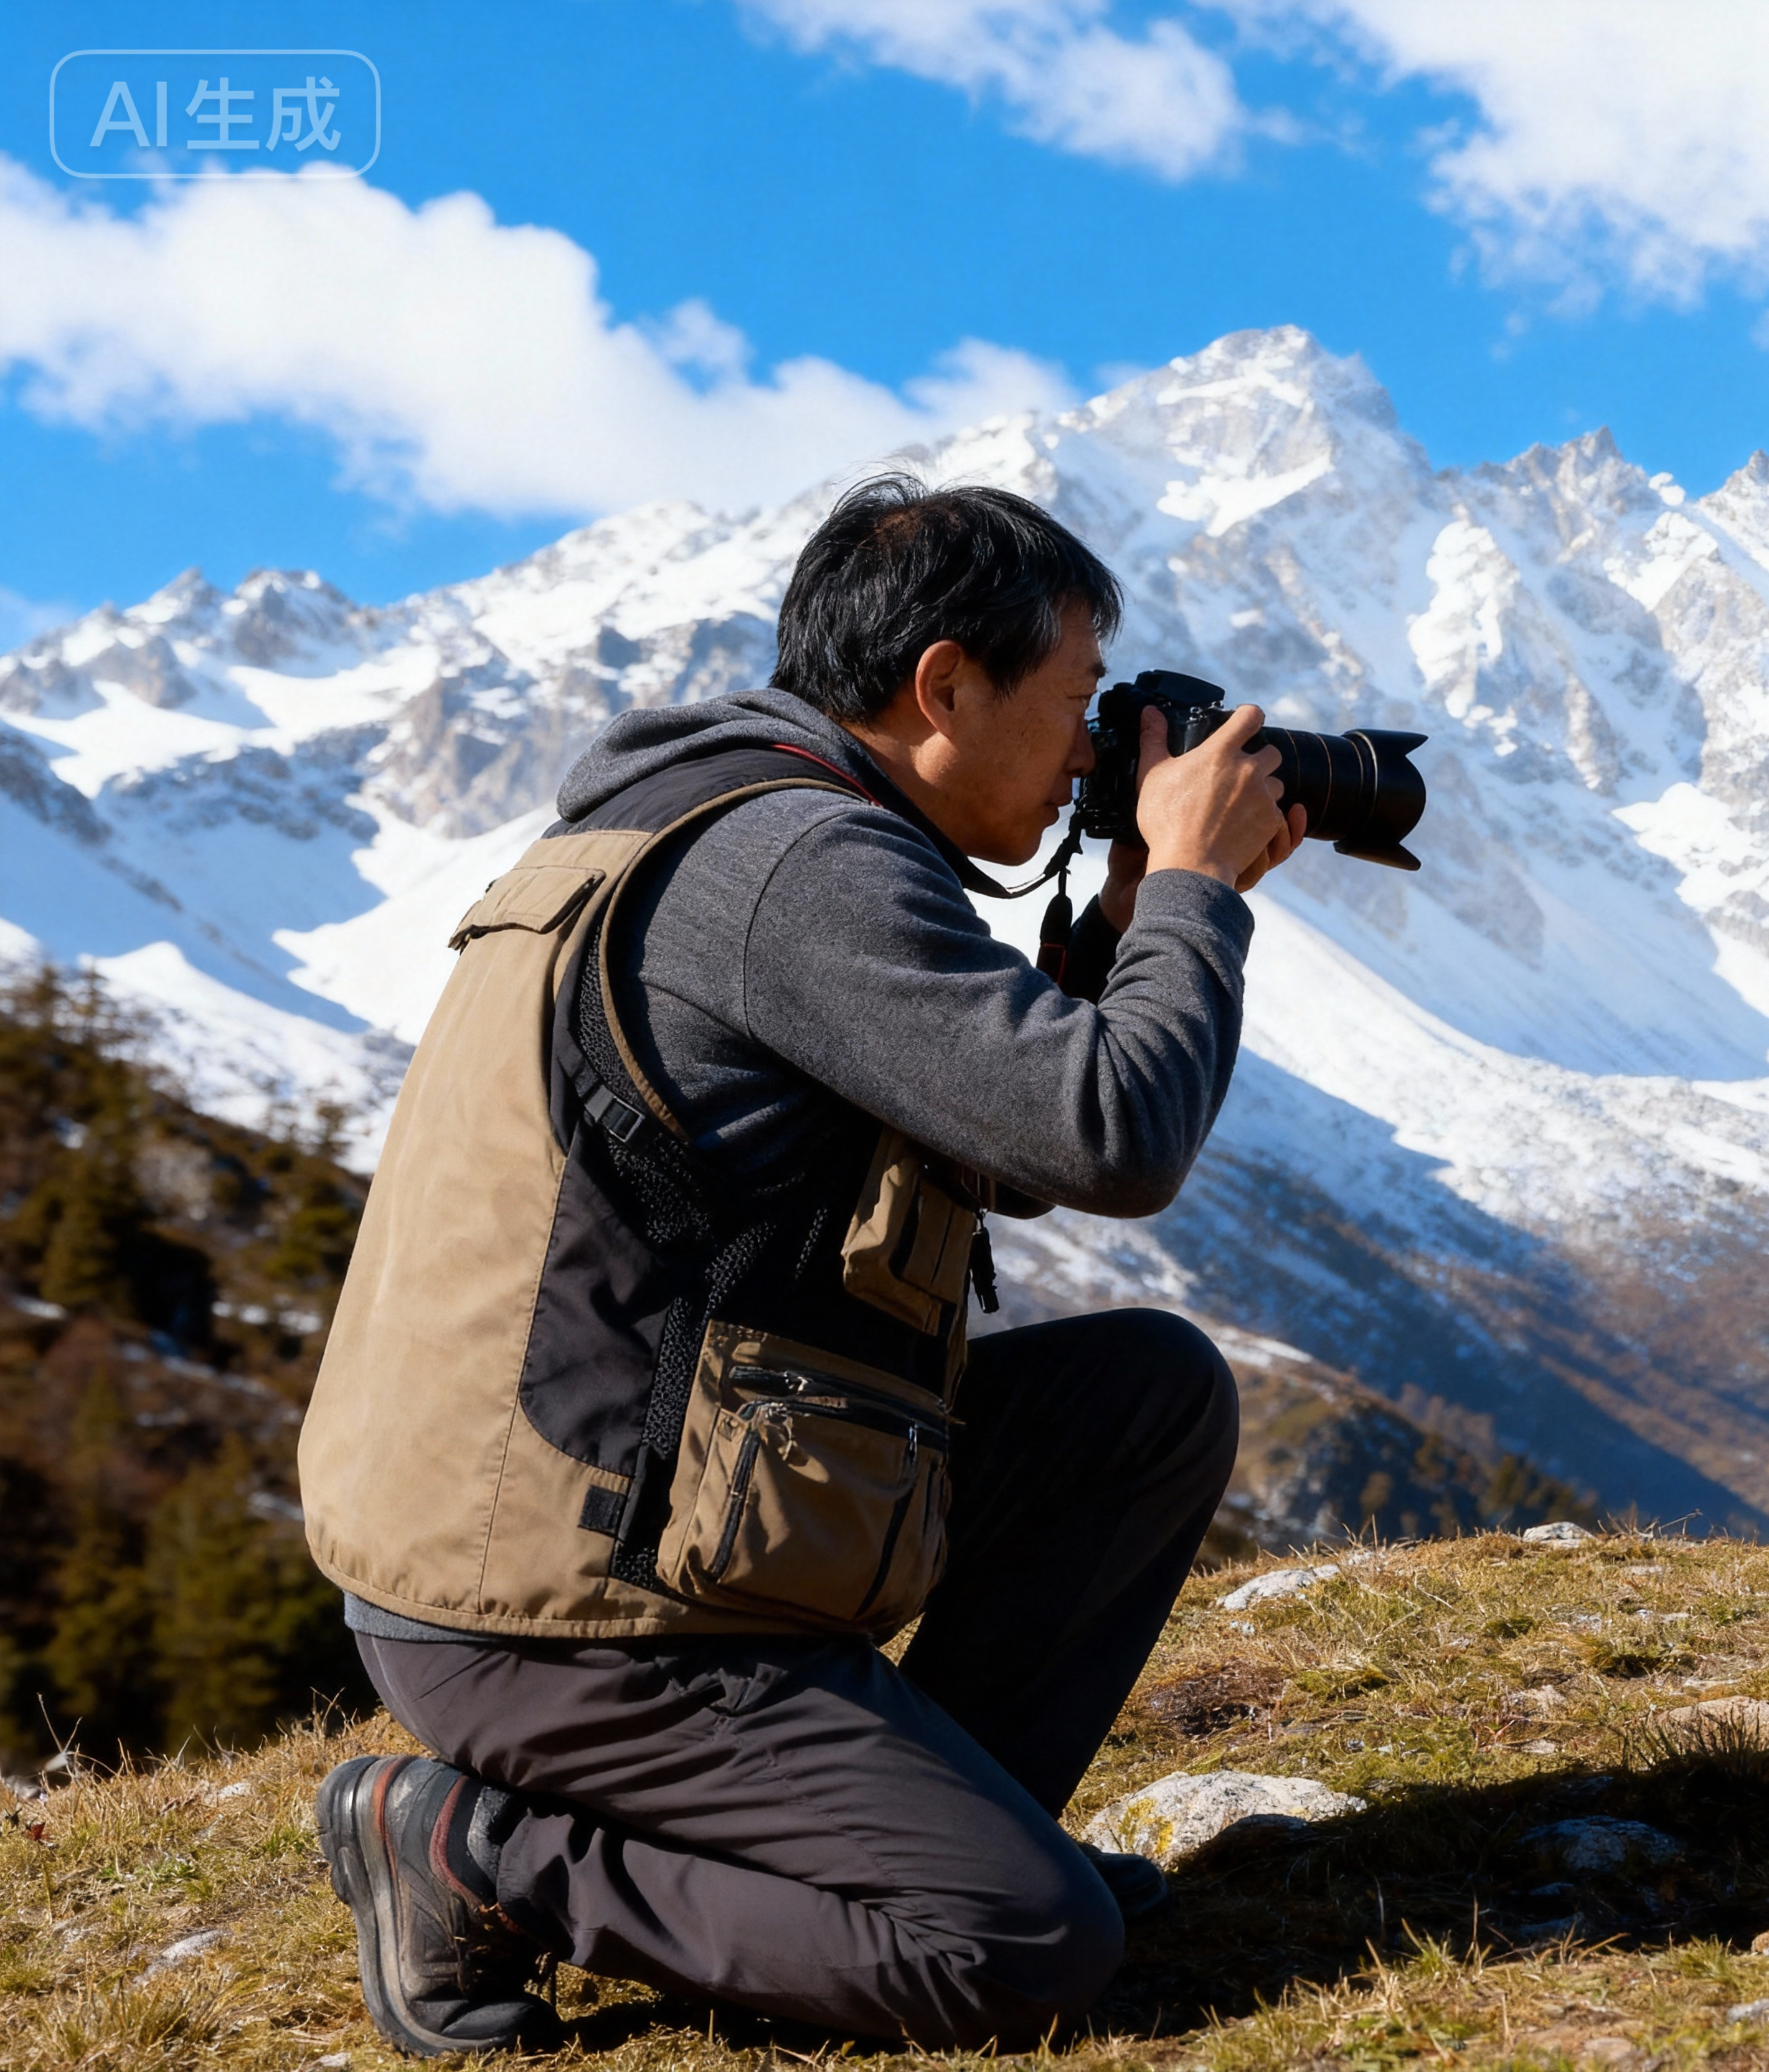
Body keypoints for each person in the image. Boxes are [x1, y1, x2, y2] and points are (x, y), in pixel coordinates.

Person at [296, 475, 1300, 2056]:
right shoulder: (797, 865)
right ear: (944, 685)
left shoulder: (737, 818)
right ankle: (469, 1850)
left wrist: (1113, 925)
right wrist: (1190, 892)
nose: (1094, 751)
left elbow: (997, 1144)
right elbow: (1111, 1137)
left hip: (606, 1510)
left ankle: (910, 1833)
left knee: (1143, 1397)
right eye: (1078, 701)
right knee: (1023, 1948)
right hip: (564, 1604)